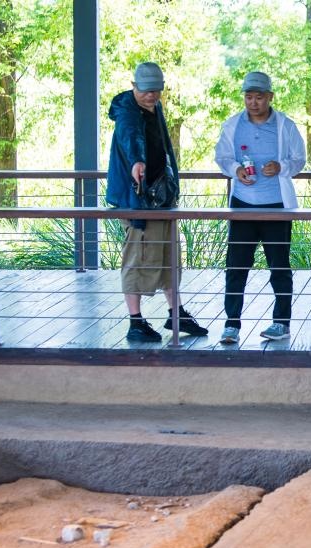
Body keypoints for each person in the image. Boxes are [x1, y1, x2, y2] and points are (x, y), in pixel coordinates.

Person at [105, 62, 207, 342]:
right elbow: (131, 138)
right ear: (133, 86)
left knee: (168, 257)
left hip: (161, 198)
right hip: (137, 198)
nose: (151, 95)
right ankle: (135, 321)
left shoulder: (155, 108)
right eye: (146, 90)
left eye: (156, 90)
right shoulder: (127, 110)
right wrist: (137, 162)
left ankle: (177, 313)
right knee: (137, 258)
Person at [214, 71, 306, 344]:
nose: (253, 102)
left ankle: (281, 322)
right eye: (248, 97)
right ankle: (231, 324)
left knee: (279, 265)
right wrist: (235, 170)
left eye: (259, 97)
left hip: (277, 206)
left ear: (270, 97)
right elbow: (222, 156)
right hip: (242, 205)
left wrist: (281, 167)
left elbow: (299, 159)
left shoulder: (284, 126)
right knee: (236, 266)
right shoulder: (232, 125)